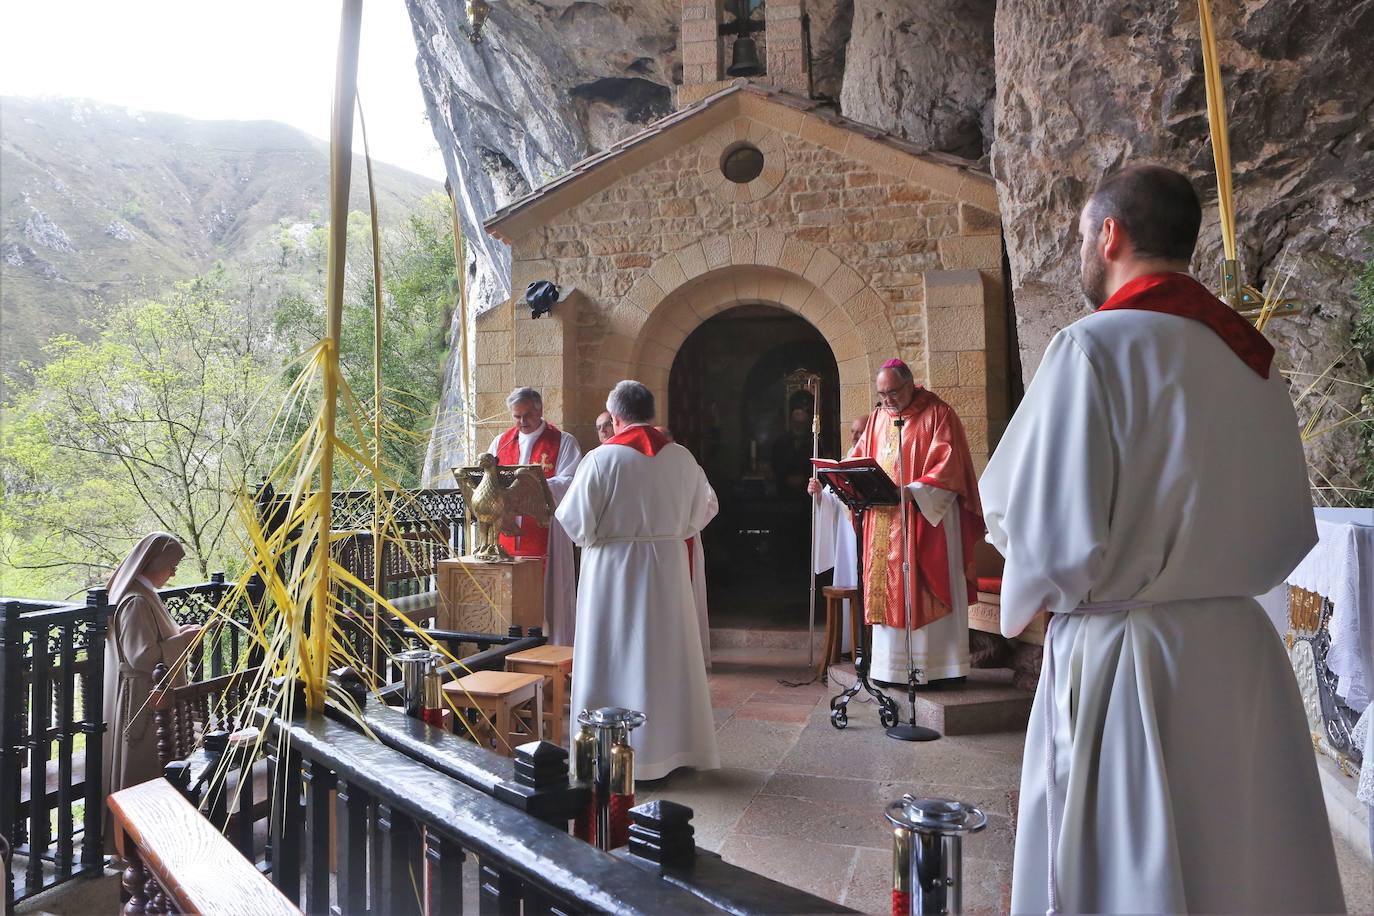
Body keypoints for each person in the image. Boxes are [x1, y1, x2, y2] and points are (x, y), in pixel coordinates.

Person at [980, 164, 1343, 913]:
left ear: (1108, 235)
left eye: (1082, 236)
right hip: (1241, 656)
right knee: (1240, 861)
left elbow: (1044, 538)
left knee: (1129, 872)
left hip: (1129, 663)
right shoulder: (1256, 360)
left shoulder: (1092, 349)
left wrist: (1021, 588)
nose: (1082, 251)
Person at [557, 381, 719, 780]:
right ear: (650, 412)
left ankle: (608, 750)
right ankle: (673, 750)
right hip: (666, 568)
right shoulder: (682, 458)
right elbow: (703, 512)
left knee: (612, 656)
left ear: (615, 417)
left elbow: (575, 524)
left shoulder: (600, 459)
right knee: (666, 657)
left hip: (612, 570)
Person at [810, 362, 983, 686]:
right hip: (883, 522)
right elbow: (858, 460)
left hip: (926, 522)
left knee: (925, 585)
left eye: (893, 392)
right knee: (885, 592)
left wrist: (913, 491)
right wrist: (838, 480)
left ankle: (940, 668)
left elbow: (950, 468)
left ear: (910, 385)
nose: (887, 400)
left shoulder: (938, 414)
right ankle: (889, 669)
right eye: (882, 394)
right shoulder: (877, 419)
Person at [102, 533, 200, 810]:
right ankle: (136, 845)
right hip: (143, 700)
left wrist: (179, 633)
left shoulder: (145, 595)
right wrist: (184, 641)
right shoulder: (136, 600)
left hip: (152, 695)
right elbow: (142, 657)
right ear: (154, 562)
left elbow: (153, 640)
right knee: (143, 772)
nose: (172, 572)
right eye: (172, 565)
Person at [485, 386, 582, 645]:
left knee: (550, 594)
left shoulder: (563, 441)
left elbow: (571, 480)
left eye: (527, 415)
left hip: (546, 528)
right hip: (509, 530)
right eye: (516, 417)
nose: (522, 422)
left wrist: (534, 486)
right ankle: (510, 646)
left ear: (540, 410)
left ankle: (555, 648)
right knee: (512, 593)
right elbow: (487, 479)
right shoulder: (501, 442)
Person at [658, 426, 718, 670]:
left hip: (683, 541)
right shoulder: (648, 469)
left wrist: (686, 527)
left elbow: (710, 502)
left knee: (686, 599)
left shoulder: (690, 466)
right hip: (659, 545)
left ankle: (689, 658)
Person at [811, 416, 869, 659]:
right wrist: (818, 495)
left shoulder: (874, 462)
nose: (855, 437)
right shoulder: (845, 462)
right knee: (848, 581)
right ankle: (849, 644)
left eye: (860, 432)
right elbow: (831, 498)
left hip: (867, 533)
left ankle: (869, 645)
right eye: (853, 432)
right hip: (847, 539)